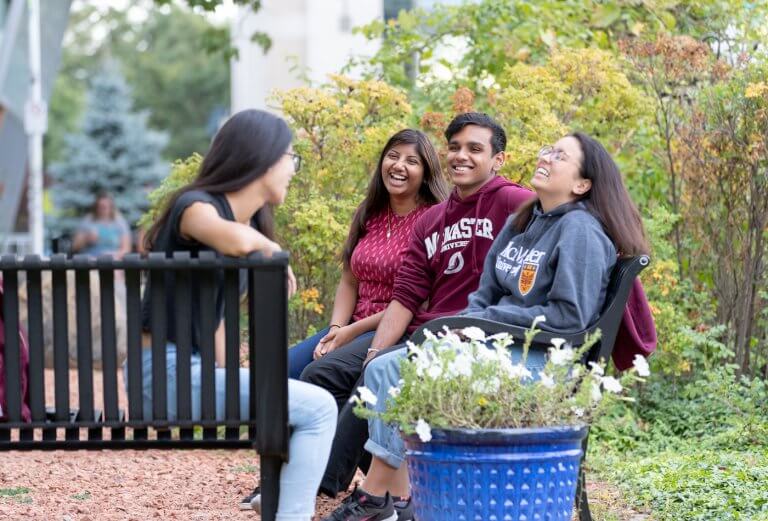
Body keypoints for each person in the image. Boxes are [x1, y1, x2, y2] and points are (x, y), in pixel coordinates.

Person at [340, 132, 650, 520]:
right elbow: (483, 297)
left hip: (543, 360)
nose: (547, 156)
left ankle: (385, 496)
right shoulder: (523, 221)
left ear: (581, 183)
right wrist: (469, 323)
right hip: (495, 347)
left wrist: (483, 324)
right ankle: (397, 495)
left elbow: (569, 319)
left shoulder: (581, 231)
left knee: (423, 361)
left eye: (560, 156)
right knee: (385, 365)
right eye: (547, 149)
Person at [303, 112, 533, 519]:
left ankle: (359, 493)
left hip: (473, 339)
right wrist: (374, 350)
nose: (461, 156)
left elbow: (561, 221)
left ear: (498, 159)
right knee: (347, 371)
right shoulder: (432, 220)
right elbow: (405, 297)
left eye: (474, 149)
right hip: (423, 333)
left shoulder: (512, 201)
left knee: (373, 380)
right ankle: (389, 492)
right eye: (456, 147)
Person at [136, 109, 337, 521]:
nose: (293, 170)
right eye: (290, 158)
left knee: (303, 406)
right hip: (164, 373)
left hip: (188, 374)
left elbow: (217, 324)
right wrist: (269, 252)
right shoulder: (195, 207)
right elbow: (227, 235)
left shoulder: (242, 225)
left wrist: (234, 386)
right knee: (318, 408)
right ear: (261, 158)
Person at [286, 129, 449, 384]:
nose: (399, 165)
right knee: (281, 369)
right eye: (393, 156)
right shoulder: (369, 212)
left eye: (411, 161)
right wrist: (336, 329)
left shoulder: (434, 220)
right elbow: (349, 281)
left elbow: (421, 301)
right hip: (351, 324)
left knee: (316, 374)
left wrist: (351, 332)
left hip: (395, 327)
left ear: (427, 173)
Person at [71, 193, 132, 258]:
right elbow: (75, 246)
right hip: (91, 259)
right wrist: (86, 239)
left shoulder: (119, 222)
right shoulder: (88, 221)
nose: (103, 209)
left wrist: (116, 255)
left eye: (106, 207)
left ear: (111, 207)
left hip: (114, 260)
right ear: (96, 207)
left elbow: (126, 249)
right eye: (100, 206)